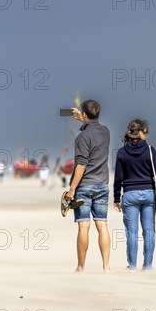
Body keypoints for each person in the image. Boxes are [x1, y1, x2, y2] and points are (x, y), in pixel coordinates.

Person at [113, 119, 156, 272]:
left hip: (130, 195)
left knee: (131, 233)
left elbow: (118, 178)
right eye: (146, 131)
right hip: (149, 194)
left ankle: (131, 266)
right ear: (141, 132)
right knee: (149, 231)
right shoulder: (150, 150)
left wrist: (116, 198)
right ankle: (148, 266)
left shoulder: (121, 152)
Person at [65, 100, 111, 273]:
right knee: (102, 225)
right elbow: (93, 128)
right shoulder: (106, 132)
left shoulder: (82, 137)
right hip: (102, 185)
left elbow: (81, 165)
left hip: (84, 186)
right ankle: (106, 267)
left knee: (84, 226)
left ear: (83, 114)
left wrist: (71, 189)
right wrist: (84, 120)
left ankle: (81, 267)